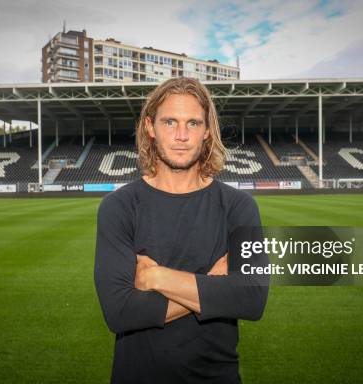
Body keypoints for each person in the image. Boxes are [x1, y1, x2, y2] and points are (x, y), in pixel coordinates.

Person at [94, 77, 269, 384]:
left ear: (206, 131)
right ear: (150, 127)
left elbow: (251, 299)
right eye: (170, 122)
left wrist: (156, 277)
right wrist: (214, 284)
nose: (181, 135)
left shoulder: (239, 208)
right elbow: (119, 311)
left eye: (193, 123)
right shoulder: (118, 207)